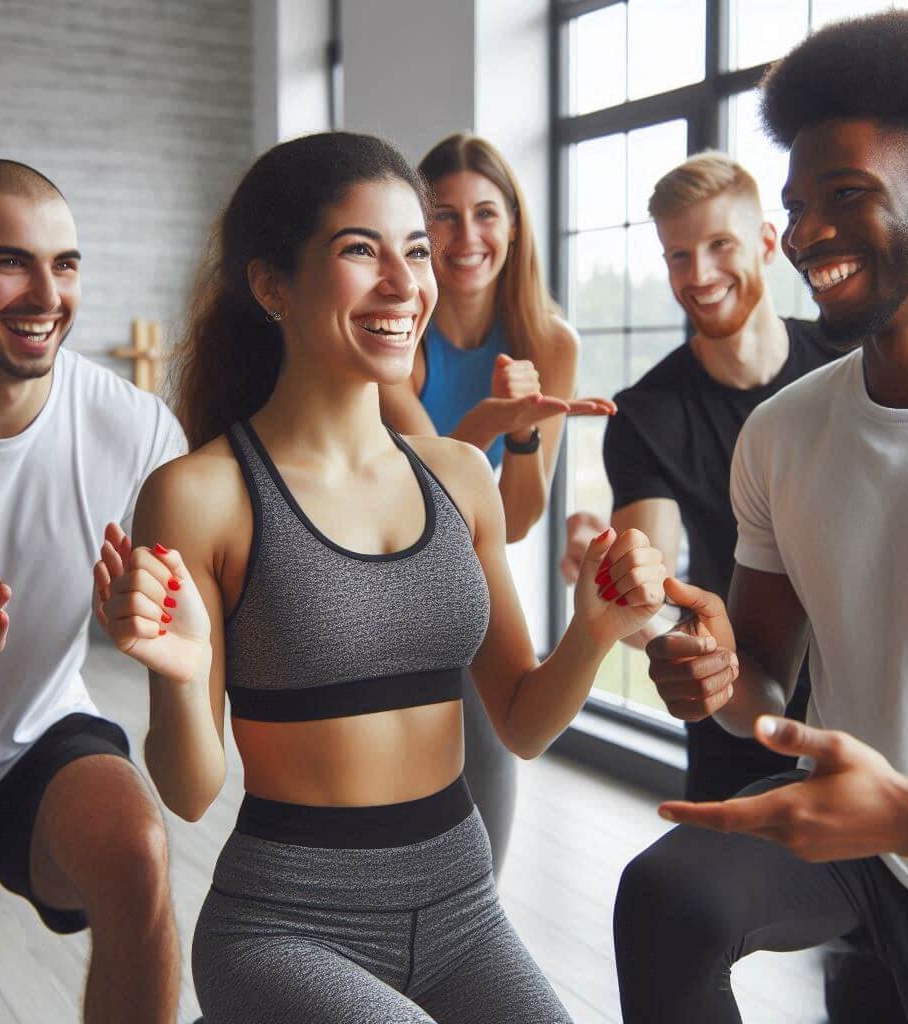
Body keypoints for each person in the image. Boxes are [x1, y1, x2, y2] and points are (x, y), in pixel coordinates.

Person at [94, 131, 666, 1024]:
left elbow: (518, 721)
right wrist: (173, 676)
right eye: (361, 251)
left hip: (462, 907)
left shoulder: (459, 477)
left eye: (416, 252)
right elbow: (192, 788)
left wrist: (591, 631)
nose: (406, 285)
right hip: (285, 926)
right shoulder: (200, 495)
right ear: (271, 283)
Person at [613, 11, 908, 1022]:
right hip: (862, 853)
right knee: (668, 897)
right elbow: (757, 675)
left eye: (846, 196)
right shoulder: (786, 430)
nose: (806, 234)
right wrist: (712, 673)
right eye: (797, 205)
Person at [0, 160, 186, 1024]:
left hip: (26, 739)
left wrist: (153, 617)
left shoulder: (132, 427)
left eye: (64, 264)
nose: (46, 293)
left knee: (135, 852)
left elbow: (207, 600)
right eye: (10, 262)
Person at [560, 151, 838, 803]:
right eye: (679, 256)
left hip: (869, 704)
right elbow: (653, 602)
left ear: (768, 244)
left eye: (720, 245)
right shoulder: (647, 414)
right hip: (734, 705)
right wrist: (614, 585)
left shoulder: (846, 363)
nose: (701, 274)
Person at [380, 132, 615, 877]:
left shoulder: (550, 339)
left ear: (513, 224)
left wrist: (518, 442)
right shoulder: (396, 335)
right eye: (442, 217)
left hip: (469, 573)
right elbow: (434, 490)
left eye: (486, 213)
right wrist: (495, 420)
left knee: (489, 773)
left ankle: (473, 928)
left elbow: (512, 520)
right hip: (382, 567)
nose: (467, 236)